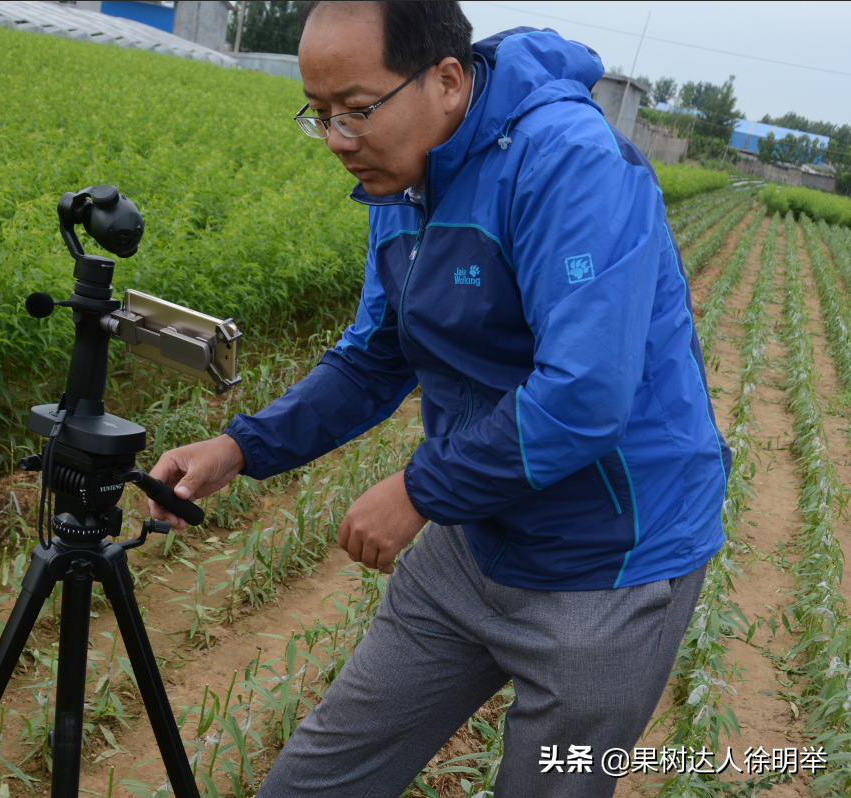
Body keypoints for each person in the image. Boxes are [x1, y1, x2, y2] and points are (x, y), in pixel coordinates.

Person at [148, 2, 729, 795]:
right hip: (477, 538)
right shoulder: (403, 175)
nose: (338, 141)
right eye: (318, 116)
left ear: (447, 79)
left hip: (610, 562)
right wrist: (242, 447)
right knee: (319, 777)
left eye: (357, 110)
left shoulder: (568, 162)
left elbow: (586, 396)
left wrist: (421, 489)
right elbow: (376, 355)